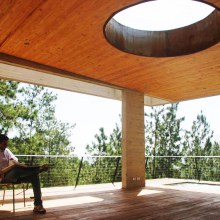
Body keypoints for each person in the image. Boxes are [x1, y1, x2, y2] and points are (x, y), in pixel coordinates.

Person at [0, 134, 48, 214]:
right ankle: (37, 169)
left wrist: (14, 163)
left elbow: (14, 160)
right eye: (4, 143)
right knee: (16, 170)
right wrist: (12, 166)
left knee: (35, 177)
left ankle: (38, 205)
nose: (6, 145)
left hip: (15, 175)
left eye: (7, 143)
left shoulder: (6, 151)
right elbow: (1, 172)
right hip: (3, 177)